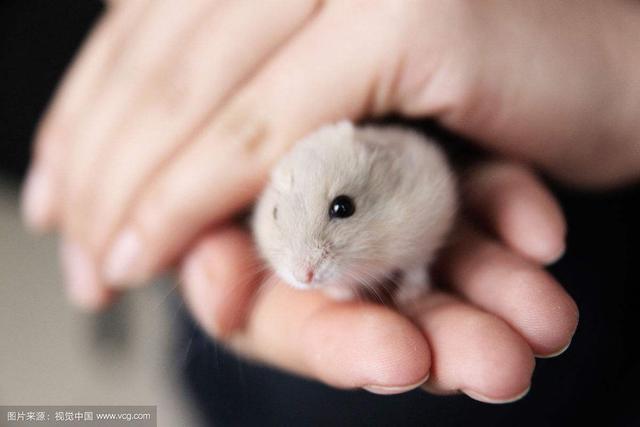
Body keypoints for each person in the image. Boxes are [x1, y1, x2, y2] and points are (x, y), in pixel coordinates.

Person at [19, 0, 640, 424]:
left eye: (339, 210)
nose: (303, 263)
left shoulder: (407, 177)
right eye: (281, 216)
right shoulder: (281, 199)